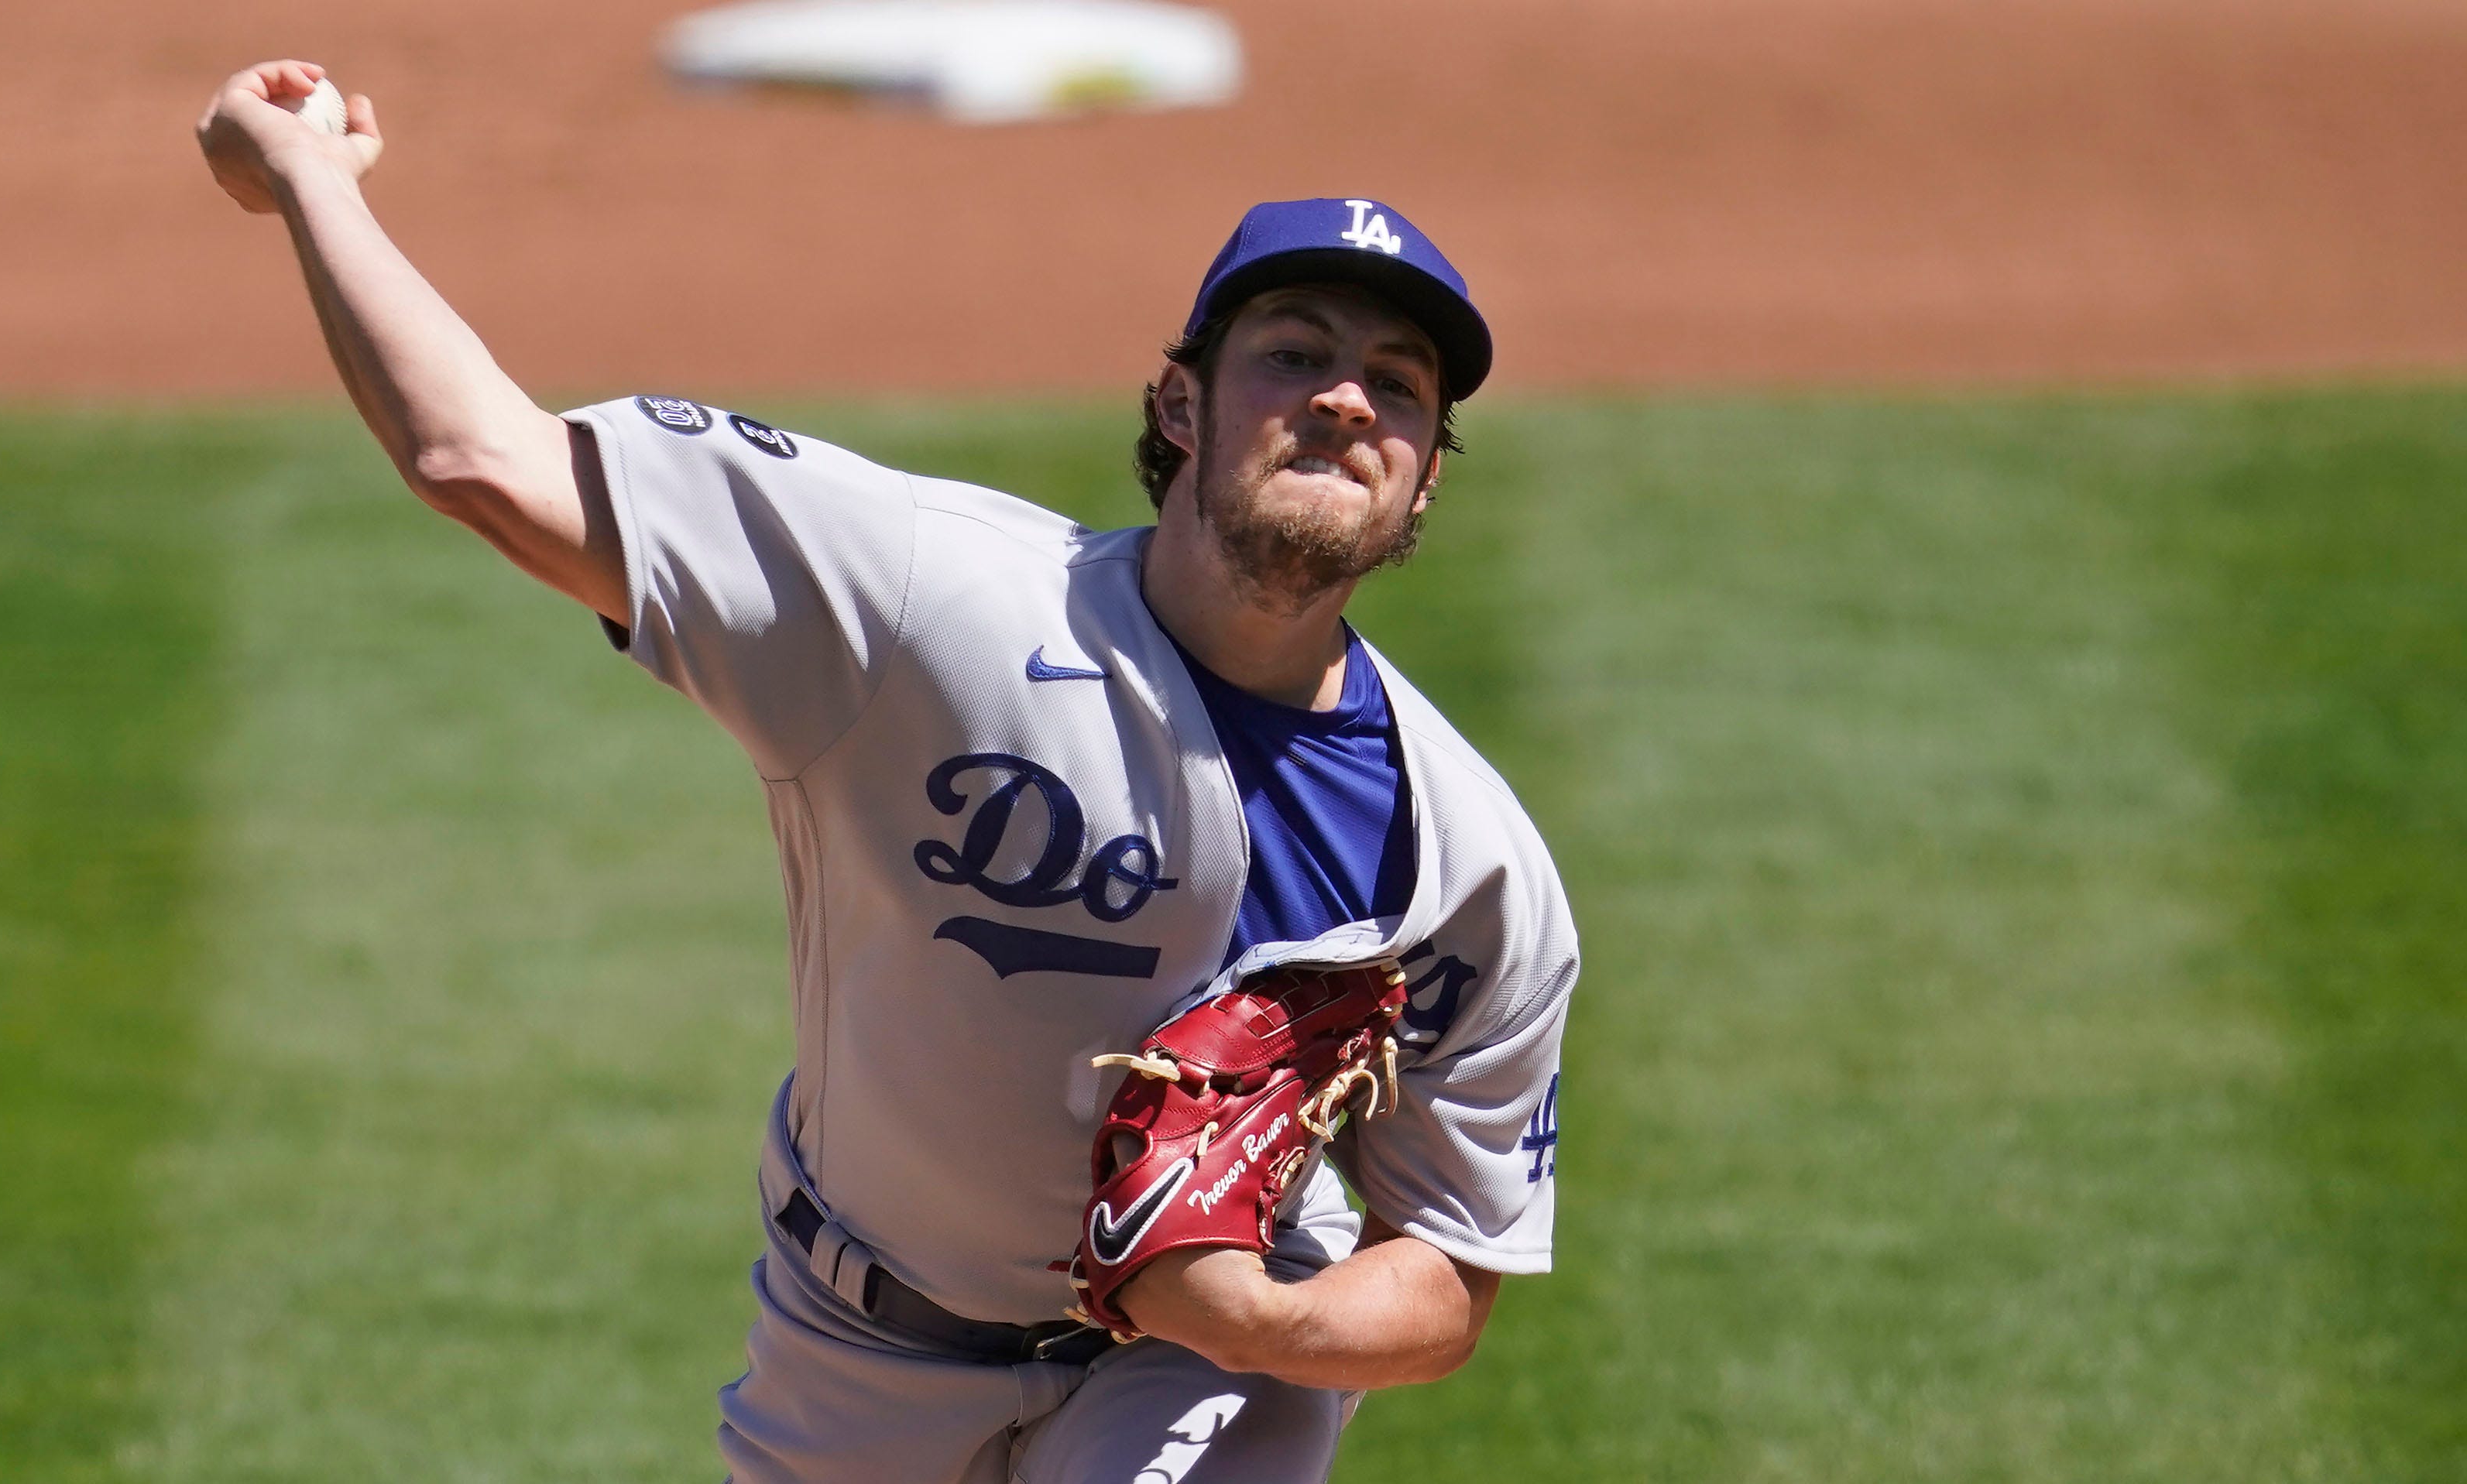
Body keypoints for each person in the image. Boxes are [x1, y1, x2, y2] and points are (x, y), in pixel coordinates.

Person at [197, 59, 1577, 1484]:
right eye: (1294, 351)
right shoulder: (929, 598)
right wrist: (306, 179)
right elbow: (480, 457)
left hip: (1195, 1377)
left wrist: (1259, 1316)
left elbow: (1449, 1272)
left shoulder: (1466, 863)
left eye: (1398, 387)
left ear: (1423, 480)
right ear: (1180, 406)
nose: (1348, 399)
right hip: (855, 1345)